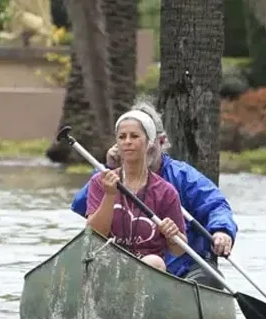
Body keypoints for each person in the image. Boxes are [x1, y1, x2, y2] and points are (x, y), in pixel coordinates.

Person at [71, 101, 238, 287]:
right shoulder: (106, 177)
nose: (130, 143)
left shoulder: (179, 178)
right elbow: (82, 206)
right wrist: (107, 168)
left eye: (136, 136)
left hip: (181, 266)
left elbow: (215, 204)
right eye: (124, 137)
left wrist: (222, 230)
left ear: (159, 141)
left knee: (205, 276)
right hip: (117, 264)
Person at [86, 109, 187, 271]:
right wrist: (110, 196)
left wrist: (173, 235)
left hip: (148, 268)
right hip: (107, 264)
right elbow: (93, 235)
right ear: (116, 143)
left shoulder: (166, 191)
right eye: (122, 137)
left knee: (155, 262)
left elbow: (179, 250)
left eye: (134, 136)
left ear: (149, 142)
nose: (127, 141)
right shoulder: (100, 182)